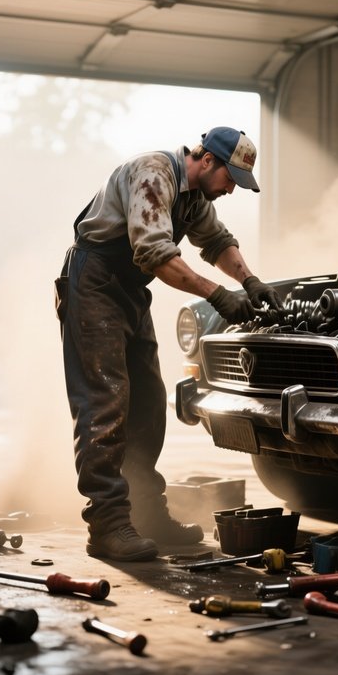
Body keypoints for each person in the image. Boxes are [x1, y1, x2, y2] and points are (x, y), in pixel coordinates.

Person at [55, 126, 282, 561]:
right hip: (95, 283)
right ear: (207, 159)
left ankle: (145, 511)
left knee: (147, 400)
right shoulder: (154, 174)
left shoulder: (195, 196)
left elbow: (215, 241)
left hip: (129, 290)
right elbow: (156, 255)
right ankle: (107, 524)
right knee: (105, 400)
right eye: (230, 178)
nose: (231, 189)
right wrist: (218, 294)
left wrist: (251, 282)